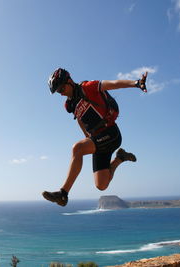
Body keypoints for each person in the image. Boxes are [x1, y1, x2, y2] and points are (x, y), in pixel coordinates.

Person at [42, 68, 148, 207]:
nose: (61, 93)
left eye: (61, 88)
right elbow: (79, 119)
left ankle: (63, 194)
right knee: (101, 185)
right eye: (58, 92)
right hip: (98, 139)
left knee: (77, 148)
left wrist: (136, 83)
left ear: (69, 81)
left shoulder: (88, 87)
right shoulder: (69, 104)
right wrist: (87, 136)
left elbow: (114, 83)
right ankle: (120, 158)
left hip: (111, 133)